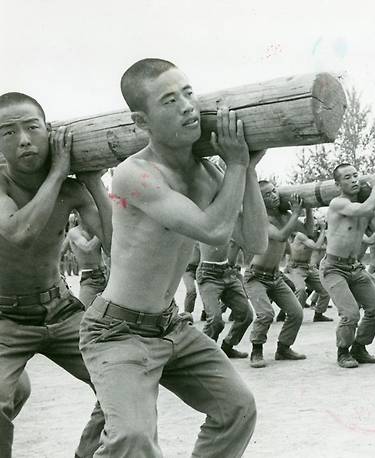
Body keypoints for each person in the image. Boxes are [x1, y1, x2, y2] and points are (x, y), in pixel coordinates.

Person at [79, 58, 261, 457]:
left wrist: (244, 171)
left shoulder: (209, 175)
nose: (186, 106)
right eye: (168, 101)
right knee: (132, 439)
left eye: (188, 92)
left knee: (237, 408)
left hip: (170, 326)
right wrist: (236, 164)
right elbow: (213, 230)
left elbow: (255, 240)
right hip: (118, 330)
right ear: (142, 122)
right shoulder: (134, 173)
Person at [0, 91, 111, 457]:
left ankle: (86, 454)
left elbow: (114, 243)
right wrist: (59, 172)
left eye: (32, 127)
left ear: (49, 132)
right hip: (4, 318)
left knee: (121, 382)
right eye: (8, 133)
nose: (24, 140)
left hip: (59, 308)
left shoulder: (72, 189)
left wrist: (92, 182)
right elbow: (19, 234)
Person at [320, 164, 375, 368]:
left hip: (355, 267)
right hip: (333, 268)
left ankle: (359, 348)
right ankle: (343, 352)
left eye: (355, 176)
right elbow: (362, 208)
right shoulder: (338, 203)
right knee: (350, 313)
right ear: (337, 184)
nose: (353, 180)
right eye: (347, 177)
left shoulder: (367, 209)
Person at [196, 168, 268, 357]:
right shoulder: (206, 207)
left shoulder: (236, 215)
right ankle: (203, 355)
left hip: (229, 272)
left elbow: (251, 246)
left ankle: (227, 347)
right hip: (208, 273)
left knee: (246, 315)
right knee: (216, 320)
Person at [245, 183, 311, 368]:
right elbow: (281, 236)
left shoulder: (285, 216)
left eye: (274, 191)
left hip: (275, 276)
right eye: (267, 194)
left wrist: (309, 209)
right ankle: (256, 351)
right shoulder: (261, 218)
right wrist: (297, 213)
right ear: (260, 199)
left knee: (296, 312)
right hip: (256, 276)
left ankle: (283, 349)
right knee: (265, 314)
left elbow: (308, 231)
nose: (273, 196)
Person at [285, 222, 333, 322]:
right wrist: (323, 230)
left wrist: (325, 231)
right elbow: (317, 246)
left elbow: (327, 245)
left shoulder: (313, 236)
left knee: (325, 289)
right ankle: (295, 316)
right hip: (296, 267)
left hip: (308, 267)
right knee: (301, 290)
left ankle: (319, 314)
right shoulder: (301, 235)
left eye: (317, 226)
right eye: (314, 226)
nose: (315, 228)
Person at [67, 209, 108, 307]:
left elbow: (108, 251)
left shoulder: (95, 231)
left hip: (104, 274)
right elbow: (87, 248)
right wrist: (101, 232)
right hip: (90, 278)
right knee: (85, 312)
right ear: (76, 216)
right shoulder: (74, 232)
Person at [182, 242, 201, 319]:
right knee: (191, 291)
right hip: (188, 269)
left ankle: (207, 312)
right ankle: (187, 314)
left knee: (207, 291)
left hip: (201, 269)